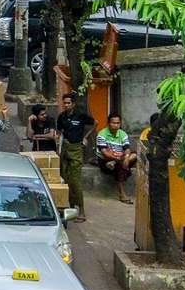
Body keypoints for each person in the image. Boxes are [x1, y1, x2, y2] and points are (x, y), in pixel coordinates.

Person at [55, 91, 95, 221]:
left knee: (75, 181)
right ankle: (70, 207)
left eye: (68, 103)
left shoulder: (81, 116)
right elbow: (60, 132)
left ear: (73, 104)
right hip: (65, 149)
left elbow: (96, 123)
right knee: (65, 179)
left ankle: (81, 210)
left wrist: (85, 137)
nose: (66, 105)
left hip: (76, 149)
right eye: (64, 103)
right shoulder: (61, 117)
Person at [97, 112, 137, 202]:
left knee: (134, 155)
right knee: (120, 166)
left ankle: (117, 163)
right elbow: (104, 153)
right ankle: (122, 194)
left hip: (119, 159)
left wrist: (126, 157)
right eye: (113, 123)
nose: (116, 125)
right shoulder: (102, 134)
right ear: (108, 123)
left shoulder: (123, 134)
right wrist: (116, 159)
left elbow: (127, 148)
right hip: (105, 160)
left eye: (118, 123)